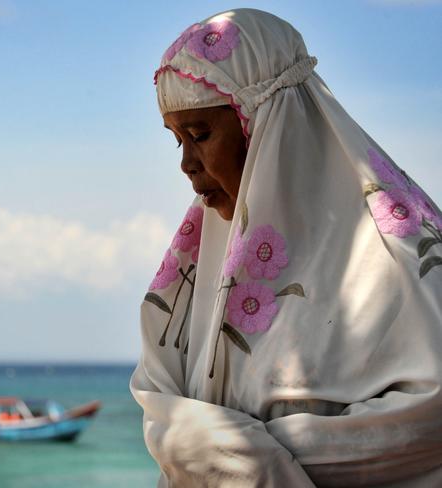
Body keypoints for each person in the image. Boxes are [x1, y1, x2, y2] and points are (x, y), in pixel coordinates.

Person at [130, 8, 442, 487]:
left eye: (200, 134)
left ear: (270, 125)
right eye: (177, 142)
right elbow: (160, 399)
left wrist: (240, 454)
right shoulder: (194, 273)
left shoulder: (400, 254)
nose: (187, 164)